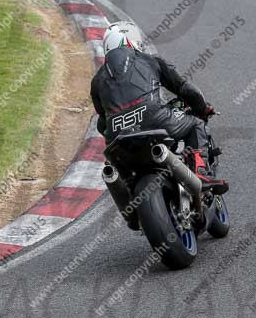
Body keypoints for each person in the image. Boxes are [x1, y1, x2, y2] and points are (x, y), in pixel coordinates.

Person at [90, 21, 228, 192]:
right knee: (196, 124)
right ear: (129, 41)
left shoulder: (97, 81)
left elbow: (102, 123)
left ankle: (131, 200)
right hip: (155, 119)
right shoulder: (149, 60)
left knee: (117, 169)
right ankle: (199, 171)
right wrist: (202, 109)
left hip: (118, 139)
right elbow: (186, 90)